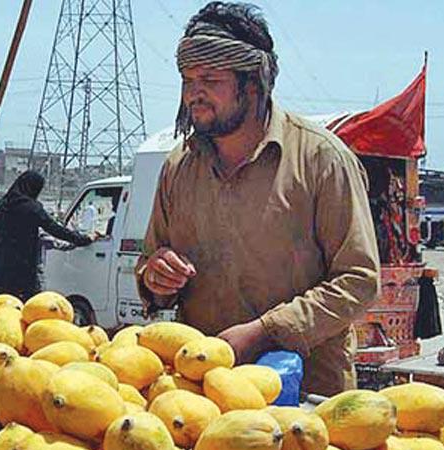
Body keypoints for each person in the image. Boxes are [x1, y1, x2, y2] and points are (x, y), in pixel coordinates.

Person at [137, 2, 380, 395]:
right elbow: (152, 265)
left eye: (210, 79)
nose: (194, 93)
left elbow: (359, 281)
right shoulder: (179, 166)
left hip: (306, 400)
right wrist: (156, 278)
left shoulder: (321, 159)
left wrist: (266, 333)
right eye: (187, 79)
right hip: (204, 398)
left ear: (252, 83)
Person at [0, 170, 94, 300]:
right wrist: (84, 239)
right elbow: (55, 229)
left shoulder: (2, 205)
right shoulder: (32, 208)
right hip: (22, 267)